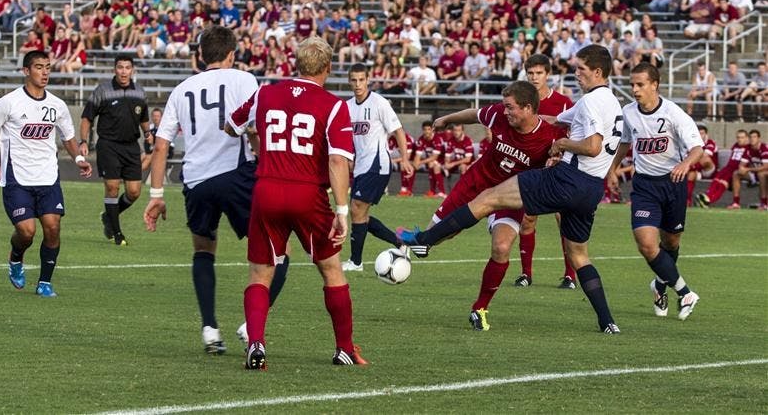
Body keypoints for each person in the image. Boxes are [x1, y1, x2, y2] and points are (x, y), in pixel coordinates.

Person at [398, 45, 624, 334]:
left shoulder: (590, 102)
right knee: (579, 255)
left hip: (569, 178)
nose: (576, 73)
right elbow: (559, 121)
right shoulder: (611, 103)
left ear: (598, 71)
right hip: (591, 189)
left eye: (581, 68)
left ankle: (425, 240)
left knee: (488, 198)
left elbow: (592, 146)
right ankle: (607, 321)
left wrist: (562, 144)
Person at [143, 26, 290, 355]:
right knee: (278, 250)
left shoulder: (182, 89)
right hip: (237, 175)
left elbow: (161, 145)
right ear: (232, 55)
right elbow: (255, 128)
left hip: (196, 181)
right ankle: (251, 323)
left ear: (200, 55)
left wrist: (156, 196)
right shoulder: (243, 80)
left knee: (203, 250)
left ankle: (210, 329)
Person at [225, 36, 366, 369]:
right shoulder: (334, 105)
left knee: (260, 274)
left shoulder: (265, 94)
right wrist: (342, 211)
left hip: (267, 189)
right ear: (327, 68)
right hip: (307, 195)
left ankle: (256, 342)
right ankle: (344, 348)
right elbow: (337, 161)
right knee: (331, 270)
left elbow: (231, 126)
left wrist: (256, 135)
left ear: (296, 63)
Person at [0, 50, 92, 297]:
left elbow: (68, 137)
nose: (45, 72)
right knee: (27, 232)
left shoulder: (57, 105)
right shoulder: (10, 102)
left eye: (48, 67)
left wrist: (79, 159)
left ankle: (45, 282)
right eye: (39, 67)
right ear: (26, 71)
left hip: (48, 177)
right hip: (17, 179)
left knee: (53, 227)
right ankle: (16, 257)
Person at [607, 62, 702, 321]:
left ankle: (660, 286)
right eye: (632, 85)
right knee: (647, 244)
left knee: (671, 243)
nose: (635, 90)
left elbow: (697, 149)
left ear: (655, 85)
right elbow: (624, 143)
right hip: (644, 186)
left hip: (673, 184)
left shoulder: (674, 113)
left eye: (640, 84)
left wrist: (685, 164)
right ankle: (685, 293)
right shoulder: (628, 113)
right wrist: (612, 169)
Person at [513, 54, 577, 289]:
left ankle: (570, 275)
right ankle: (526, 274)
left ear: (548, 74)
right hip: (531, 167)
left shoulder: (563, 102)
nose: (534, 77)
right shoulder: (521, 102)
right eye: (530, 73)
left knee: (563, 219)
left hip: (558, 168)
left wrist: (560, 154)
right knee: (527, 220)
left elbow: (575, 133)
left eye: (539, 73)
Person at [342, 63, 413, 272]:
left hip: (378, 164)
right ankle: (401, 243)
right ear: (349, 81)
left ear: (368, 80)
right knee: (359, 214)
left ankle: (356, 262)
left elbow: (398, 131)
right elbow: (347, 137)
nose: (357, 84)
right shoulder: (347, 106)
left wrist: (405, 159)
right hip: (361, 166)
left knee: (356, 208)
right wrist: (349, 157)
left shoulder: (379, 102)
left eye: (361, 80)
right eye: (354, 80)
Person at [78, 55, 150, 246]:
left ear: (132, 70)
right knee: (112, 188)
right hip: (108, 145)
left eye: (127, 68)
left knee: (134, 192)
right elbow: (87, 118)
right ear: (114, 69)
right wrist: (83, 141)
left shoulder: (140, 92)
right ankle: (117, 233)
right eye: (120, 67)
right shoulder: (103, 90)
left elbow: (143, 117)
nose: (124, 71)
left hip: (131, 146)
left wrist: (148, 133)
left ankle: (109, 216)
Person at [695, 130, 751, 208]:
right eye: (738, 137)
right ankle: (707, 195)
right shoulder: (736, 145)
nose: (739, 139)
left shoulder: (749, 148)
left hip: (735, 170)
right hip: (727, 168)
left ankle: (709, 200)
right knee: (716, 180)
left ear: (747, 138)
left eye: (742, 137)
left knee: (723, 183)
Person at [729, 130, 768, 209]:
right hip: (754, 172)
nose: (752, 139)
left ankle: (764, 203)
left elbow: (765, 166)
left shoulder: (764, 148)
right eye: (751, 137)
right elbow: (742, 164)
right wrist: (741, 168)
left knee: (761, 174)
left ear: (759, 138)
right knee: (736, 173)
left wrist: (748, 169)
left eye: (754, 137)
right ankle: (736, 202)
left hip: (764, 172)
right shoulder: (748, 149)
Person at [685, 125, 718, 205]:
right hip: (697, 170)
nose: (700, 135)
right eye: (698, 133)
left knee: (705, 158)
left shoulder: (710, 143)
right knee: (691, 174)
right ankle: (687, 200)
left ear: (706, 134)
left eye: (702, 133)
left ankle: (689, 168)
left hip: (709, 170)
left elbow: (704, 156)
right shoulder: (692, 144)